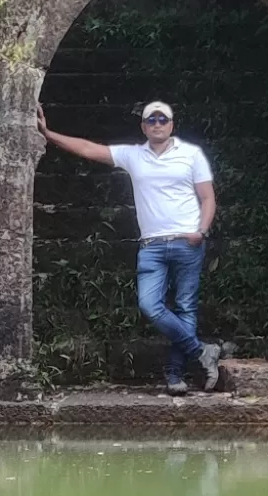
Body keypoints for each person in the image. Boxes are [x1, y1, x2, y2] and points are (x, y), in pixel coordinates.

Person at [36, 98, 220, 395]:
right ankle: (201, 352)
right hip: (152, 246)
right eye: (152, 120)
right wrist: (47, 133)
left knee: (186, 308)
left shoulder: (191, 154)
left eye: (163, 119)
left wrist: (202, 230)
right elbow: (87, 149)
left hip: (188, 242)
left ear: (172, 124)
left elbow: (207, 197)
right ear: (143, 126)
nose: (157, 124)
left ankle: (175, 376)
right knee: (150, 305)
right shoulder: (134, 156)